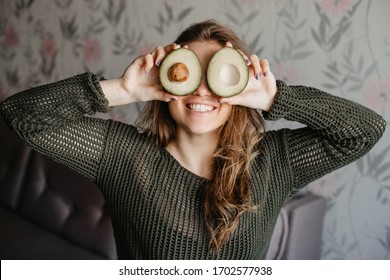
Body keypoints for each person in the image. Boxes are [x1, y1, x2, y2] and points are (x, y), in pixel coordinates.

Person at [0, 19, 386, 260]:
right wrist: (123, 88)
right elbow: (21, 116)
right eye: (188, 74)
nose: (202, 91)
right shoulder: (122, 155)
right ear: (166, 81)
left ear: (237, 86)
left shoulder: (274, 162)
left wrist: (273, 97)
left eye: (215, 78)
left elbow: (364, 130)